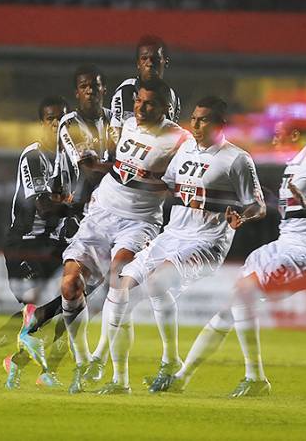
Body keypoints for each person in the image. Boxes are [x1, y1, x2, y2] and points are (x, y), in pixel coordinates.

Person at [159, 119, 306, 397]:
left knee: (244, 293)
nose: (274, 141)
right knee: (230, 308)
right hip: (284, 246)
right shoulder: (296, 164)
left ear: (295, 134)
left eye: (278, 135)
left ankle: (255, 378)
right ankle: (182, 377)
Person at [99, 96, 265, 394]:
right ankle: (119, 381)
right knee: (120, 289)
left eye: (204, 120)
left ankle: (168, 361)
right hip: (171, 235)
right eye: (195, 118)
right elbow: (170, 184)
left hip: (207, 241)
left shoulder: (237, 159)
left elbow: (258, 206)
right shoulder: (186, 149)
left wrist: (243, 214)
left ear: (220, 124)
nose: (196, 124)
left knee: (155, 283)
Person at [59, 77, 188, 394]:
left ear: (166, 108)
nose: (141, 108)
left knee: (119, 281)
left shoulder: (179, 139)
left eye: (150, 104)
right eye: (138, 101)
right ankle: (83, 362)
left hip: (139, 222)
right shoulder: (128, 125)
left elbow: (183, 183)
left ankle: (119, 378)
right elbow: (122, 170)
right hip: (101, 214)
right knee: (70, 285)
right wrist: (99, 166)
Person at [0, 96, 71, 390]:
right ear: (41, 123)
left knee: (71, 299)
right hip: (24, 242)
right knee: (36, 306)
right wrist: (79, 206)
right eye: (51, 118)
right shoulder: (33, 156)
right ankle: (39, 369)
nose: (57, 123)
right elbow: (44, 206)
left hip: (53, 243)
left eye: (62, 118)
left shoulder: (71, 158)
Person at [109, 35, 181, 137]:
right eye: (144, 58)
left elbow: (170, 136)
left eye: (155, 59)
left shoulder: (173, 97)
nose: (149, 63)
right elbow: (115, 136)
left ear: (166, 62)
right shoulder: (127, 90)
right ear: (138, 63)